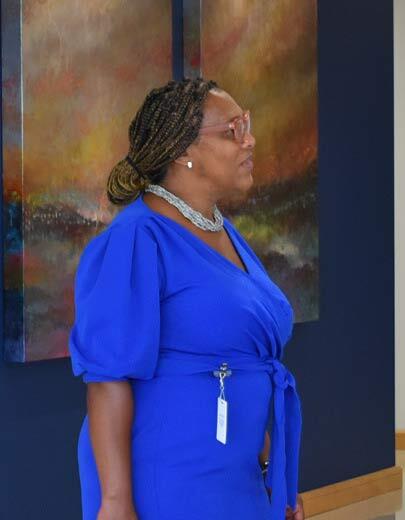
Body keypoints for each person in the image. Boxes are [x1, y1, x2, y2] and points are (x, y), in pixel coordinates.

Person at [70, 78, 305, 520]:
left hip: (237, 476)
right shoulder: (137, 238)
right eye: (232, 130)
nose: (249, 140)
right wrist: (116, 503)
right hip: (171, 472)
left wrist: (273, 472)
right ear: (182, 150)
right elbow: (107, 378)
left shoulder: (221, 230)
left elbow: (241, 361)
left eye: (247, 124)